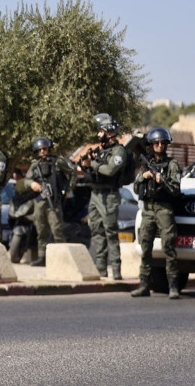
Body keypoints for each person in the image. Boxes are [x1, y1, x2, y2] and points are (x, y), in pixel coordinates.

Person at [131, 127, 182, 299]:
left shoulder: (172, 165)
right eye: (156, 143)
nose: (159, 146)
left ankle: (173, 286)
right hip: (147, 210)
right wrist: (144, 176)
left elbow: (176, 190)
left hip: (164, 210)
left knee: (169, 248)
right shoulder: (146, 165)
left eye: (162, 143)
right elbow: (137, 188)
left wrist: (162, 180)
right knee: (145, 249)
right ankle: (144, 284)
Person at [81, 113, 127, 280]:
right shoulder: (99, 150)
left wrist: (92, 163)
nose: (98, 134)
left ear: (109, 132)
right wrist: (86, 163)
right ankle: (101, 268)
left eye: (101, 131)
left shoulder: (119, 151)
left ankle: (116, 270)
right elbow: (86, 168)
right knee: (97, 231)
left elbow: (109, 170)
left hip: (109, 196)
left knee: (111, 233)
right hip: (95, 194)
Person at [17, 137, 75, 267]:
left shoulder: (57, 162)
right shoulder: (35, 165)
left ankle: (63, 258)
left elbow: (72, 173)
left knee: (57, 230)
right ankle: (42, 257)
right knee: (41, 230)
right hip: (40, 201)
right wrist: (32, 184)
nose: (43, 151)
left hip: (53, 201)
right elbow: (26, 181)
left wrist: (67, 190)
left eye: (45, 149)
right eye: (40, 150)